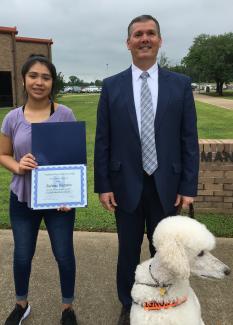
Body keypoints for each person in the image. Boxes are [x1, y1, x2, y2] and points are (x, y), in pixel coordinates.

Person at [94, 15, 199, 325]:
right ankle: (129, 305)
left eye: (150, 33)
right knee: (128, 250)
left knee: (165, 251)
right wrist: (103, 185)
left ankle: (163, 303)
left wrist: (189, 186)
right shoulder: (111, 86)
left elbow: (188, 139)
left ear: (159, 40)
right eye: (138, 34)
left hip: (167, 184)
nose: (144, 39)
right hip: (124, 183)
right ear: (128, 43)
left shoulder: (179, 84)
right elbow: (103, 140)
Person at [0, 55, 78, 325]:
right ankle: (22, 304)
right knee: (22, 254)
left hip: (59, 202)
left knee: (64, 254)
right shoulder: (12, 118)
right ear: (23, 79)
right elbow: (3, 154)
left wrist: (71, 194)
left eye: (46, 77)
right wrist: (18, 166)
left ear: (52, 82)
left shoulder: (65, 114)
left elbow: (73, 158)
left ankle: (67, 308)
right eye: (33, 75)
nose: (39, 82)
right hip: (22, 198)